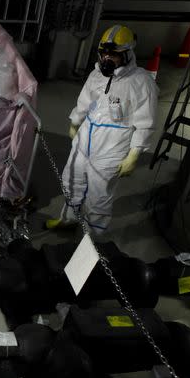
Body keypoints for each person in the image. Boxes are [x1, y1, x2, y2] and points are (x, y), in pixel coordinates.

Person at [46, 25, 158, 233]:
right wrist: (75, 123)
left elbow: (146, 123)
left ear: (126, 55)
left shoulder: (141, 82)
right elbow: (84, 101)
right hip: (85, 137)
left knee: (99, 193)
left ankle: (92, 235)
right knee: (72, 180)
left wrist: (134, 155)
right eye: (104, 53)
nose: (107, 58)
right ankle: (68, 219)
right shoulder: (96, 75)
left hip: (113, 144)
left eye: (113, 54)